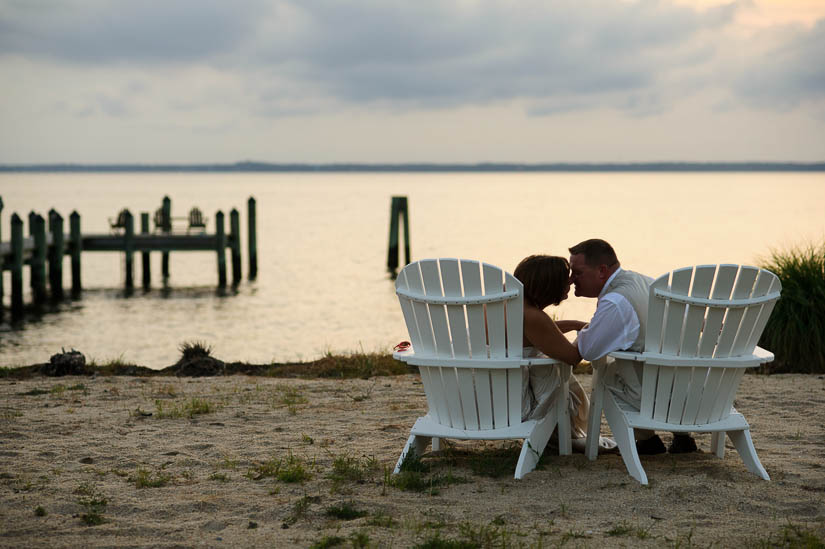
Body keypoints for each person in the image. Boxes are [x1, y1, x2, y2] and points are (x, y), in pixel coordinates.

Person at [568, 238, 697, 454]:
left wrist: (576, 331)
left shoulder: (616, 302)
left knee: (607, 371)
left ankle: (647, 441)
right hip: (694, 389)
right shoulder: (648, 282)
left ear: (601, 271)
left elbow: (586, 351)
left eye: (577, 272)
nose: (571, 280)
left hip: (658, 397)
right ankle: (683, 438)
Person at [513, 254, 615, 453]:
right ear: (548, 285)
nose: (571, 281)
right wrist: (590, 332)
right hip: (517, 406)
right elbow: (572, 357)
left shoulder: (510, 308)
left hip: (487, 399)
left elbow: (537, 333)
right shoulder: (533, 317)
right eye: (565, 277)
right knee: (559, 374)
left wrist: (575, 325)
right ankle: (566, 436)